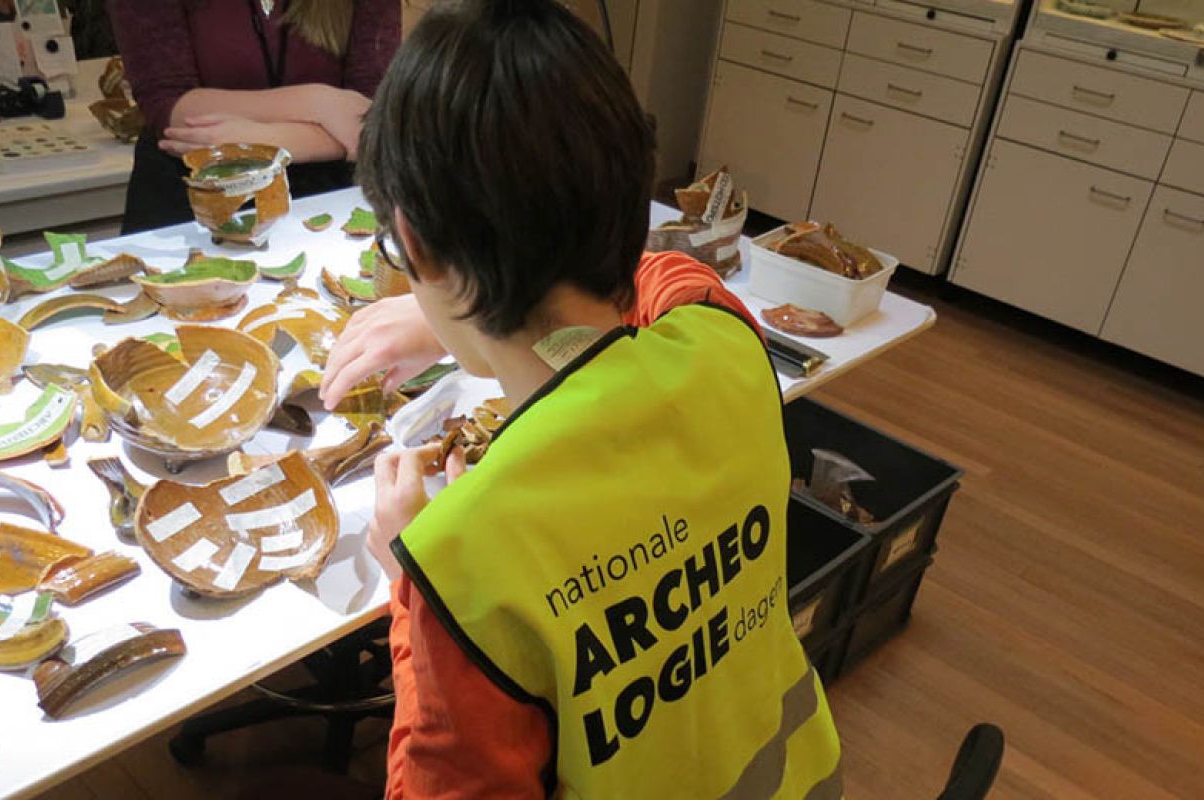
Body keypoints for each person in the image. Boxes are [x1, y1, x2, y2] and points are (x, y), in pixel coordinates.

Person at [338, 1, 845, 796]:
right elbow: (670, 279)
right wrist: (461, 300)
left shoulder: (458, 558)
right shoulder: (727, 342)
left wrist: (410, 580)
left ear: (417, 246)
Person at [107, 0, 399, 233]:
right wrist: (317, 103)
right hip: (190, 204)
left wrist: (258, 139)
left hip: (326, 206)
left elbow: (371, 118)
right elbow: (170, 109)